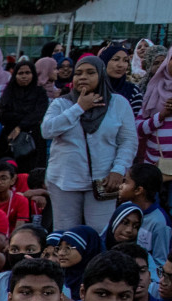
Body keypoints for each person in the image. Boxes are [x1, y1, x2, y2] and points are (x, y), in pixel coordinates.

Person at [42, 56, 138, 232]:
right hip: (64, 180)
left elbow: (128, 141)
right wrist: (79, 108)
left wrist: (119, 169)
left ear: (101, 75)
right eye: (78, 73)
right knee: (66, 234)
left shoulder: (118, 104)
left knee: (100, 232)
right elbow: (47, 130)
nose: (82, 77)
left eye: (90, 72)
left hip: (104, 180)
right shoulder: (62, 103)